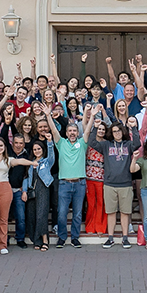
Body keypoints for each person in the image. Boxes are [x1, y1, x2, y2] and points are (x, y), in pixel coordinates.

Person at [44, 104, 97, 246]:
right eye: (70, 131)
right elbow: (54, 131)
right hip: (64, 184)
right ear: (66, 133)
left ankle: (74, 237)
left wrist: (92, 116)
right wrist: (48, 115)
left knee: (78, 213)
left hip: (80, 183)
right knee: (61, 213)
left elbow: (87, 131)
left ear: (77, 132)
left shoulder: (82, 143)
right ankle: (62, 237)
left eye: (75, 130)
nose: (73, 133)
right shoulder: (61, 143)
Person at [98, 120, 141, 247]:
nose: (117, 133)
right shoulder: (106, 145)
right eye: (114, 131)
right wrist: (95, 128)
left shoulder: (128, 144)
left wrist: (133, 128)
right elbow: (93, 142)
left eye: (119, 131)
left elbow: (137, 143)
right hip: (110, 183)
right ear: (111, 133)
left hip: (125, 184)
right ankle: (110, 237)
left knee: (125, 212)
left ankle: (125, 237)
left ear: (123, 132)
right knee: (110, 212)